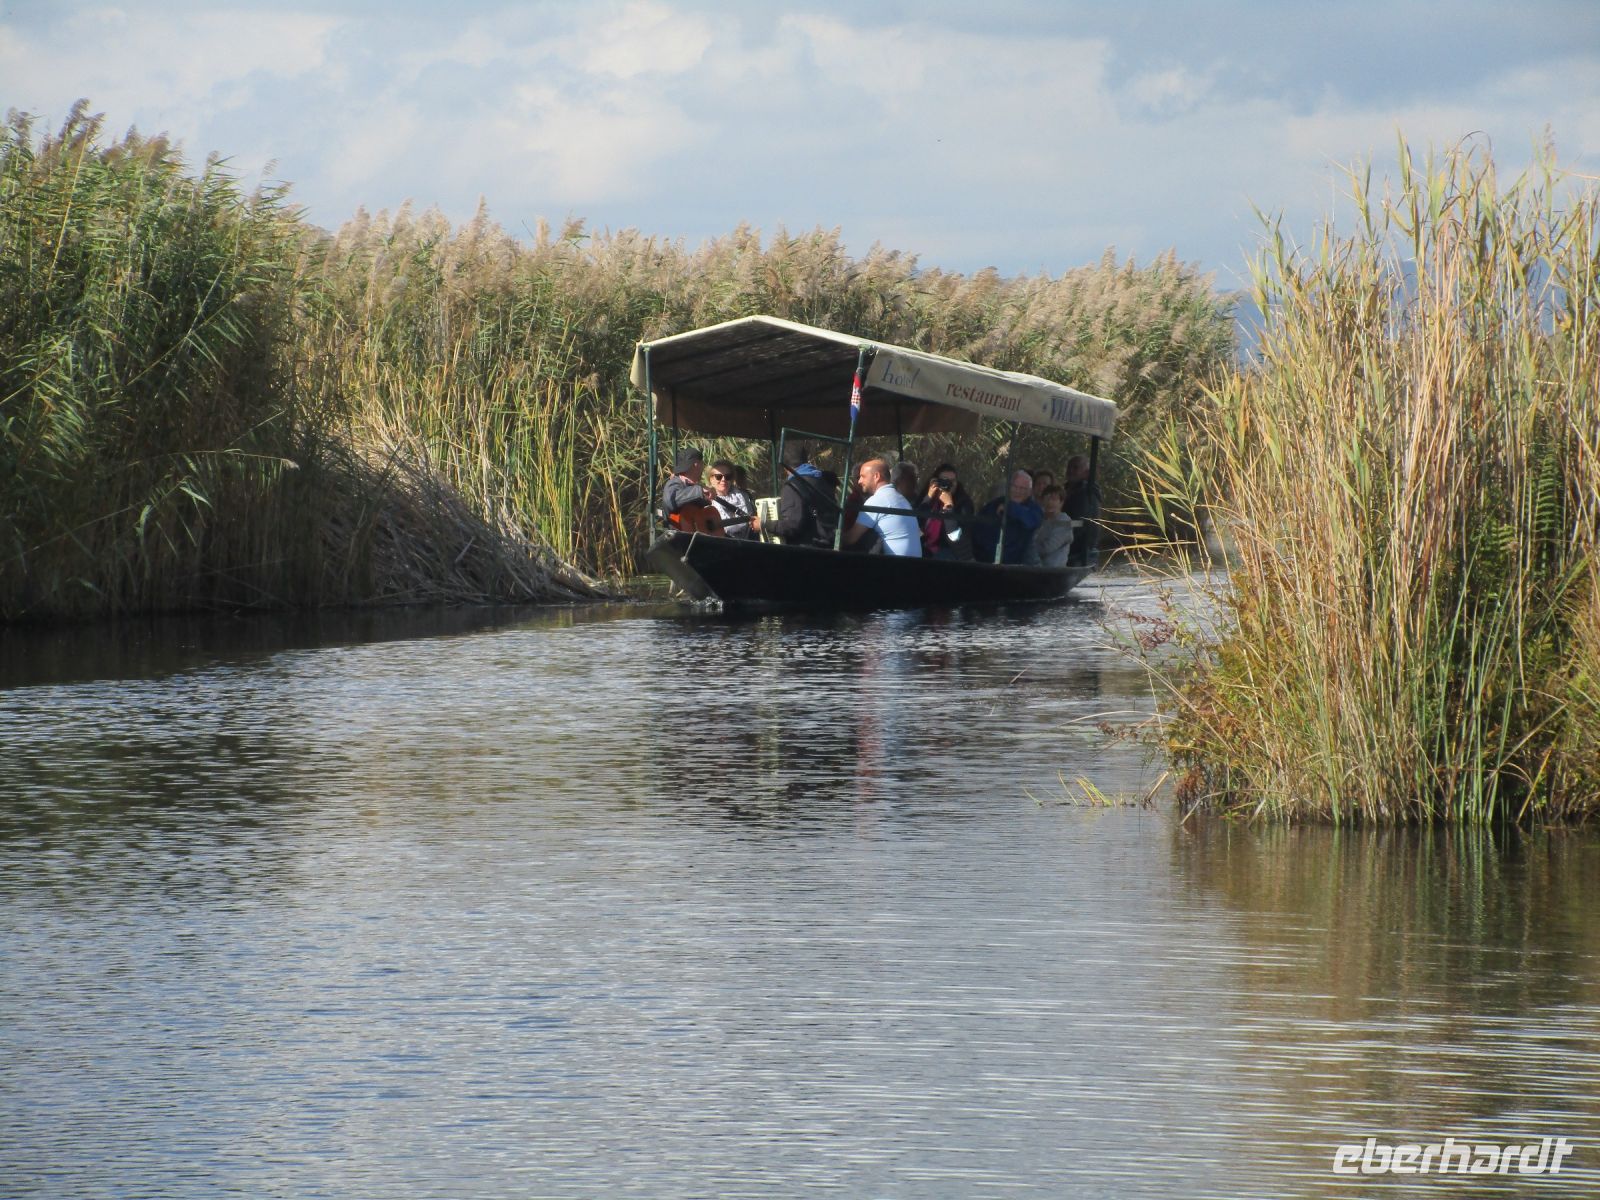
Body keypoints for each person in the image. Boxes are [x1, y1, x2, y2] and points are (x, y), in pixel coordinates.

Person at [843, 457, 922, 556]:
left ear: (876, 476)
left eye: (863, 476)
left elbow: (851, 538)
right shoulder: (900, 498)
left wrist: (832, 537)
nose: (859, 481)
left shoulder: (877, 500)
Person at [772, 441, 839, 548]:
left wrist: (764, 524)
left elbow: (792, 526)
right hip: (828, 546)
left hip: (807, 551)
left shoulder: (792, 486)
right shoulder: (823, 479)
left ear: (783, 465)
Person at [972, 469, 1043, 564]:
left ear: (1030, 492)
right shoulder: (994, 505)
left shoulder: (1034, 509)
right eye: (1015, 487)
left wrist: (1010, 508)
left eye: (1022, 488)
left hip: (1018, 567)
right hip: (987, 563)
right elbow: (978, 528)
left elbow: (1031, 521)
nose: (1018, 491)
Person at [916, 462, 975, 560]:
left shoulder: (964, 504)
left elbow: (955, 537)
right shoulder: (929, 499)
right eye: (944, 481)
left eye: (953, 481)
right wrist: (928, 498)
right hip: (926, 549)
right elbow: (916, 523)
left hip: (949, 551)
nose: (949, 485)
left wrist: (949, 506)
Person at [1062, 453, 1102, 565]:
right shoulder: (1067, 490)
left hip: (1079, 548)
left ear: (1086, 472)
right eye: (1069, 467)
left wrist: (1058, 527)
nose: (1070, 470)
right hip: (1071, 543)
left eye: (1075, 467)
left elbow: (1080, 522)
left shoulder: (1085, 493)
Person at [708, 459, 759, 539]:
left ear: (732, 479)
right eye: (718, 477)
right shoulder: (706, 501)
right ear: (711, 479)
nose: (723, 480)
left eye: (727, 477)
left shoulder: (744, 495)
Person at [1029, 484, 1074, 567]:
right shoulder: (1040, 519)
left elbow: (1047, 548)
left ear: (1061, 502)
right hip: (1036, 567)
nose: (1050, 502)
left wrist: (1027, 550)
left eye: (1054, 499)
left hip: (1054, 571)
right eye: (1047, 499)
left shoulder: (1064, 521)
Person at [661, 447, 712, 520]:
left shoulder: (694, 485)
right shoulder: (674, 482)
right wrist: (699, 490)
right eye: (702, 463)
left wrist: (707, 500)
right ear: (696, 464)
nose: (703, 467)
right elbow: (670, 502)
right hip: (676, 530)